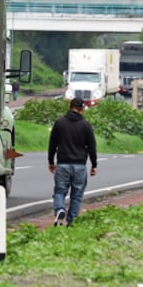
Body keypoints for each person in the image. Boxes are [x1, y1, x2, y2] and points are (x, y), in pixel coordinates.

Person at [48, 95, 98, 226]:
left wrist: (51, 161)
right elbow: (92, 146)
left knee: (60, 191)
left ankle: (59, 209)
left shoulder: (60, 123)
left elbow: (52, 144)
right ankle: (72, 222)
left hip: (63, 164)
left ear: (69, 107)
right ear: (82, 109)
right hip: (80, 165)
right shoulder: (86, 125)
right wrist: (94, 165)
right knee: (76, 195)